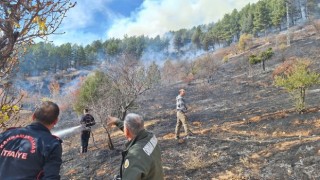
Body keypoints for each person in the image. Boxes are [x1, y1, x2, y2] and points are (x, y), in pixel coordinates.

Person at [0, 101, 62, 179]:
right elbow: (51, 177)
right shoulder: (52, 144)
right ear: (55, 121)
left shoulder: (5, 134)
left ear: (33, 116)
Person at [107, 113, 164, 180]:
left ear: (126, 131)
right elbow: (134, 129)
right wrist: (117, 121)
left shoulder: (135, 156)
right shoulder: (150, 136)